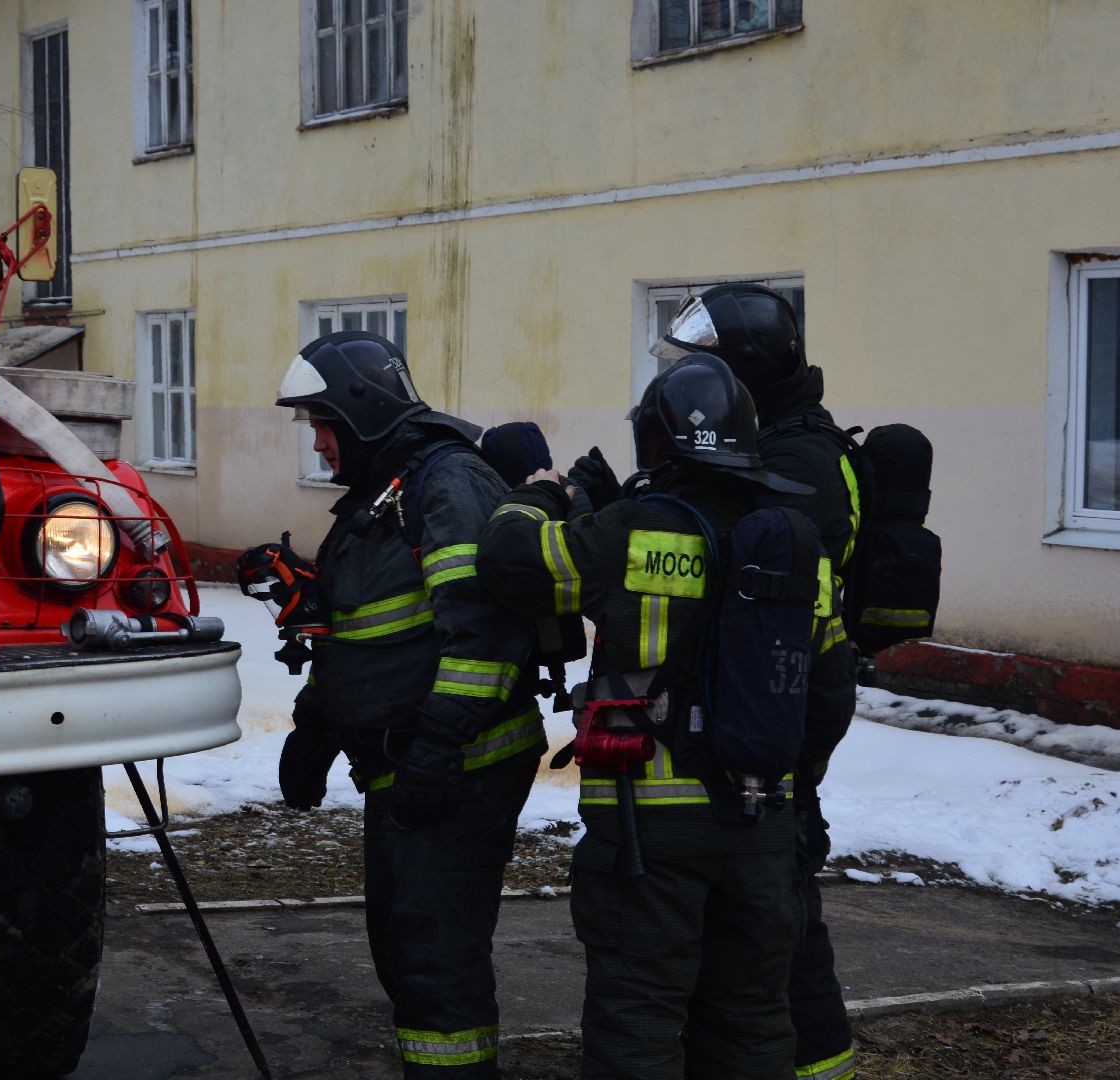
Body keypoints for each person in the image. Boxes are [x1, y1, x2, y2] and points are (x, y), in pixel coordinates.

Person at [477, 354, 818, 1080]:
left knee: (638, 1016)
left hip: (650, 829)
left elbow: (515, 563)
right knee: (754, 1018)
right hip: (764, 822)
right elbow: (831, 691)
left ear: (659, 443)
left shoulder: (634, 530)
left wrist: (533, 497)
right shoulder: (793, 543)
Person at [262, 331, 546, 1078]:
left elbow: (483, 632)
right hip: (409, 767)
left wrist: (439, 745)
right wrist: (316, 725)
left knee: (434, 960)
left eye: (323, 424)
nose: (319, 444)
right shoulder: (378, 499)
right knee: (405, 945)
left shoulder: (446, 484)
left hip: (460, 766)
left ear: (361, 412)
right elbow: (363, 631)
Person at [651, 284, 858, 1080]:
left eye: (705, 370)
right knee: (761, 936)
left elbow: (743, 573)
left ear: (742, 371)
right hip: (762, 707)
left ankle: (817, 1067)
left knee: (785, 939)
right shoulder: (782, 440)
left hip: (782, 718)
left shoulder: (801, 458)